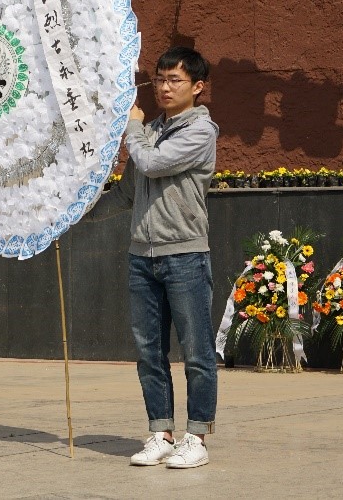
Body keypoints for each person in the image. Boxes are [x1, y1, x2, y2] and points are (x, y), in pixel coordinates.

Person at [107, 46, 218, 469]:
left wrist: (133, 128)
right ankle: (161, 433)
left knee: (196, 352)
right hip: (142, 256)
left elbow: (152, 164)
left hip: (185, 254)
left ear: (197, 86)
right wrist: (71, 214)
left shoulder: (201, 131)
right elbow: (126, 193)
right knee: (149, 352)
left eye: (175, 80)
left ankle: (197, 437)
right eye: (159, 79)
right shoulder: (149, 129)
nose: (165, 87)